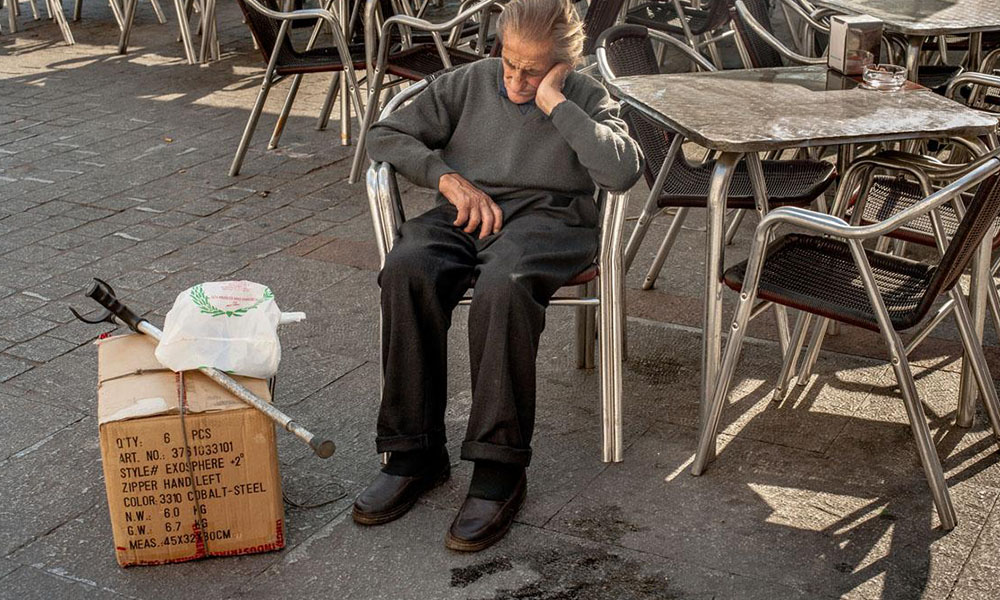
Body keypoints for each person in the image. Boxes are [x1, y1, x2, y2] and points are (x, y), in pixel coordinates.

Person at [352, 0, 642, 552]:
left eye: (532, 70)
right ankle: (414, 451)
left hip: (551, 222)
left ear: (563, 64)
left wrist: (556, 103)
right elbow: (385, 136)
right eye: (508, 63)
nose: (514, 80)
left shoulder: (586, 96)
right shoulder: (470, 83)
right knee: (407, 267)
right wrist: (448, 180)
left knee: (503, 286)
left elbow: (622, 169)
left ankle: (498, 467)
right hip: (468, 209)